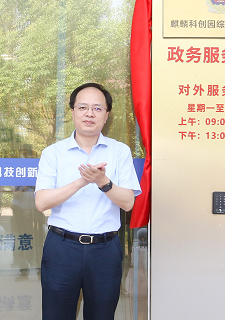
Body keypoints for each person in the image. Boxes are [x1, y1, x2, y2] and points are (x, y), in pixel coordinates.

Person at [35, 83, 141, 320]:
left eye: (97, 108)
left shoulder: (119, 152)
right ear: (73, 111)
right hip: (62, 248)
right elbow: (41, 202)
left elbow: (128, 203)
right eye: (82, 107)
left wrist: (103, 181)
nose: (89, 114)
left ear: (106, 115)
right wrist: (81, 182)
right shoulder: (53, 153)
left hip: (105, 250)